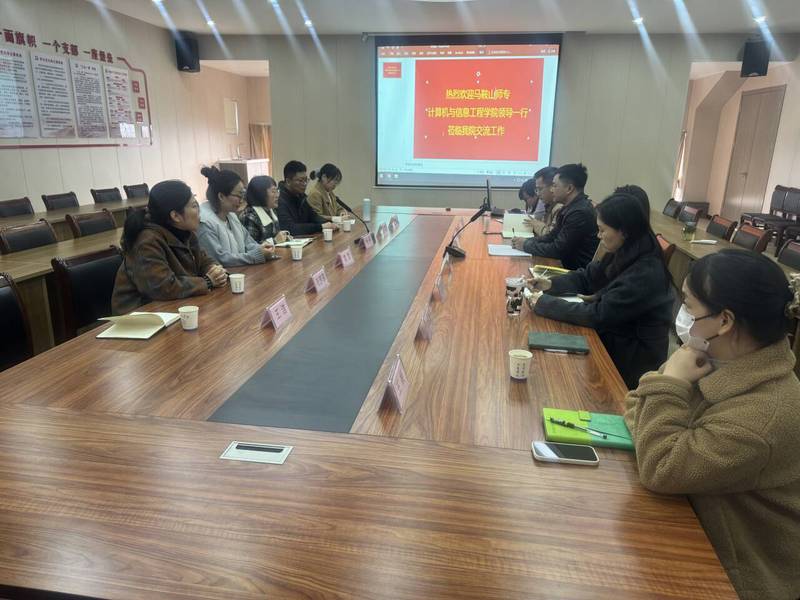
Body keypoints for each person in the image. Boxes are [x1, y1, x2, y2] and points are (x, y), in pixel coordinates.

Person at [624, 251, 800, 600]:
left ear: (724, 321)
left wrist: (671, 383)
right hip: (694, 521)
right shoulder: (718, 359)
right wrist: (666, 397)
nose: (682, 314)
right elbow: (634, 404)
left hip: (738, 574)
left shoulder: (762, 417)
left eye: (688, 305)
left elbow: (661, 467)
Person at [527, 192, 674, 389]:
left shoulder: (646, 272)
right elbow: (588, 277)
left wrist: (543, 303)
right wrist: (550, 284)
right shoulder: (626, 249)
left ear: (623, 231)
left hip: (629, 362)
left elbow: (598, 315)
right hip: (612, 339)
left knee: (557, 375)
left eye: (602, 230)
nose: (598, 236)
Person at [111, 179, 227, 315]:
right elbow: (162, 287)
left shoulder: (186, 232)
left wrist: (215, 270)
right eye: (194, 206)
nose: (199, 211)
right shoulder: (147, 241)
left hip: (172, 307)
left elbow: (203, 261)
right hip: (140, 316)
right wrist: (207, 282)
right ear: (175, 216)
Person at [512, 163, 598, 270]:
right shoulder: (569, 207)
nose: (552, 190)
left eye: (555, 186)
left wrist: (525, 246)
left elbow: (558, 250)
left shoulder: (579, 213)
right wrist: (526, 241)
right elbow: (551, 237)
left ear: (569, 188)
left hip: (574, 271)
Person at [197, 166, 274, 267]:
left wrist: (262, 248)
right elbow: (220, 259)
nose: (242, 200)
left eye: (243, 194)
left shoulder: (231, 215)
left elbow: (248, 242)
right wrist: (257, 255)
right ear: (221, 196)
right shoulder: (205, 222)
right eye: (239, 195)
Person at [277, 160, 337, 236]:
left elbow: (314, 216)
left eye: (306, 180)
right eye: (300, 180)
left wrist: (330, 223)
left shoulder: (301, 196)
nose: (305, 184)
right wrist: (321, 226)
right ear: (288, 181)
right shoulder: (279, 200)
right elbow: (290, 228)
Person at [240, 175, 290, 244]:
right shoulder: (249, 215)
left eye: (277, 191)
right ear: (260, 194)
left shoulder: (271, 210)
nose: (277, 195)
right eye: (273, 191)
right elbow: (250, 246)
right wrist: (274, 241)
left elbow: (277, 236)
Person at [527, 166, 562, 236]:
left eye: (540, 189)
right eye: (536, 190)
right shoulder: (549, 205)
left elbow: (550, 237)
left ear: (552, 186)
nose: (538, 194)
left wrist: (536, 224)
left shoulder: (560, 207)